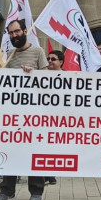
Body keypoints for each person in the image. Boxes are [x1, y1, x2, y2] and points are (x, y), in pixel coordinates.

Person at [0, 19, 48, 200]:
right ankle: (7, 192)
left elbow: (48, 81)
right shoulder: (10, 54)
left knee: (34, 152)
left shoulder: (38, 52)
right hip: (11, 115)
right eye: (11, 33)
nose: (14, 35)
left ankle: (36, 192)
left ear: (25, 31)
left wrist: (34, 74)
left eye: (17, 31)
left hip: (33, 115)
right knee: (9, 151)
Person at [44, 49, 65, 184]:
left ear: (61, 62)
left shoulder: (69, 77)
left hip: (60, 118)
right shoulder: (41, 75)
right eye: (48, 59)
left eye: (53, 59)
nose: (50, 61)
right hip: (44, 118)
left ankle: (50, 174)